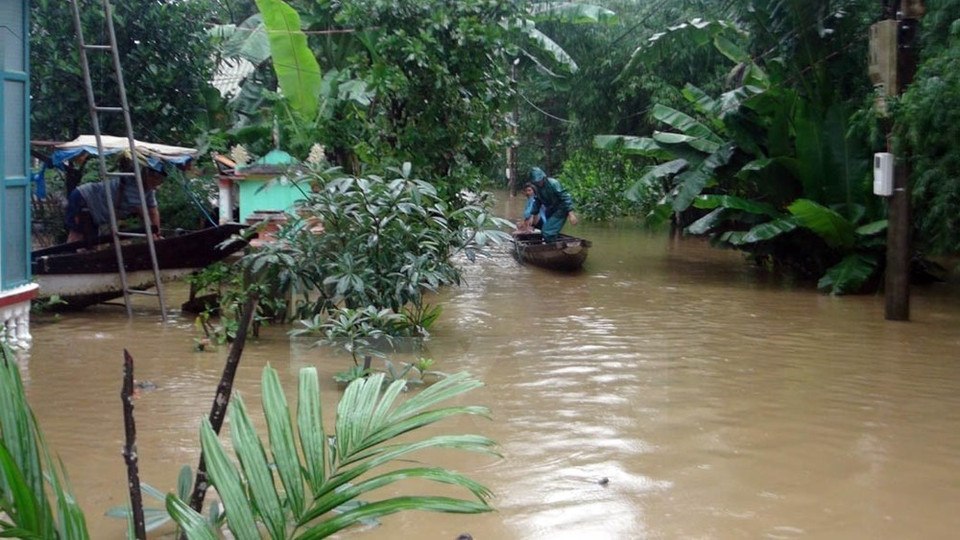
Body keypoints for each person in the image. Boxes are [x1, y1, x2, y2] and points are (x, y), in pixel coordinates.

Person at [65, 156, 166, 245]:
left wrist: (157, 234)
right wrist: (152, 235)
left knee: (91, 242)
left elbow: (153, 211)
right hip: (83, 198)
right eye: (152, 176)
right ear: (145, 173)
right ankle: (63, 260)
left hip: (96, 212)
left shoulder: (149, 189)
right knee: (77, 235)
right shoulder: (132, 184)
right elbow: (142, 212)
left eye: (159, 178)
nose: (155, 181)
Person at [528, 166, 578, 242]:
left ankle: (552, 247)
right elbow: (537, 201)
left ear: (543, 178)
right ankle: (552, 244)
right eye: (536, 182)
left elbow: (565, 197)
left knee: (547, 231)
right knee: (549, 230)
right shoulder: (537, 188)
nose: (539, 183)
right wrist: (532, 215)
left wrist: (571, 214)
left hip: (561, 209)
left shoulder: (553, 183)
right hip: (550, 210)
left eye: (540, 181)